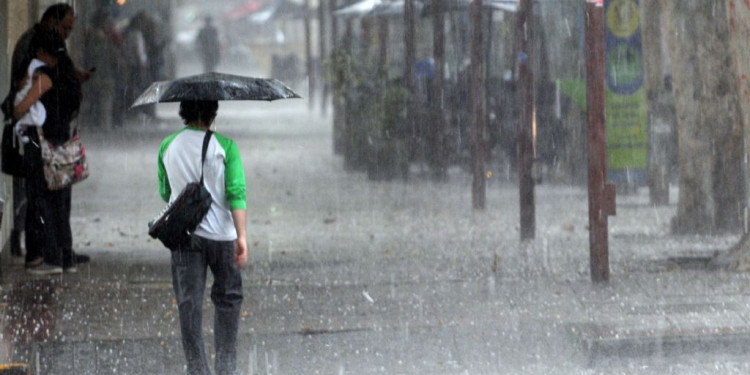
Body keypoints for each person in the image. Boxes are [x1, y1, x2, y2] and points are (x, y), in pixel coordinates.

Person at [157, 100, 247, 375]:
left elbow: (165, 191)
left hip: (185, 235)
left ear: (183, 112)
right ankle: (226, 369)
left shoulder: (167, 145)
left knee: (189, 304)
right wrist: (241, 236)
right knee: (229, 299)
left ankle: (198, 370)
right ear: (213, 113)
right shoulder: (226, 147)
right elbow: (237, 192)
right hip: (223, 236)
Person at [3, 3, 91, 269]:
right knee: (42, 198)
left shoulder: (46, 68)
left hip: (51, 139)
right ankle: (40, 254)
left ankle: (56, 252)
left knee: (52, 198)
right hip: (40, 142)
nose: (67, 33)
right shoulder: (39, 67)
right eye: (65, 28)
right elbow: (17, 109)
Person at [13, 30, 81, 275]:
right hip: (61, 144)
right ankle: (65, 256)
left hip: (42, 146)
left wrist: (17, 102)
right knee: (60, 202)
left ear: (42, 52)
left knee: (42, 200)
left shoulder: (44, 77)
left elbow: (20, 109)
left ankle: (49, 257)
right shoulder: (67, 74)